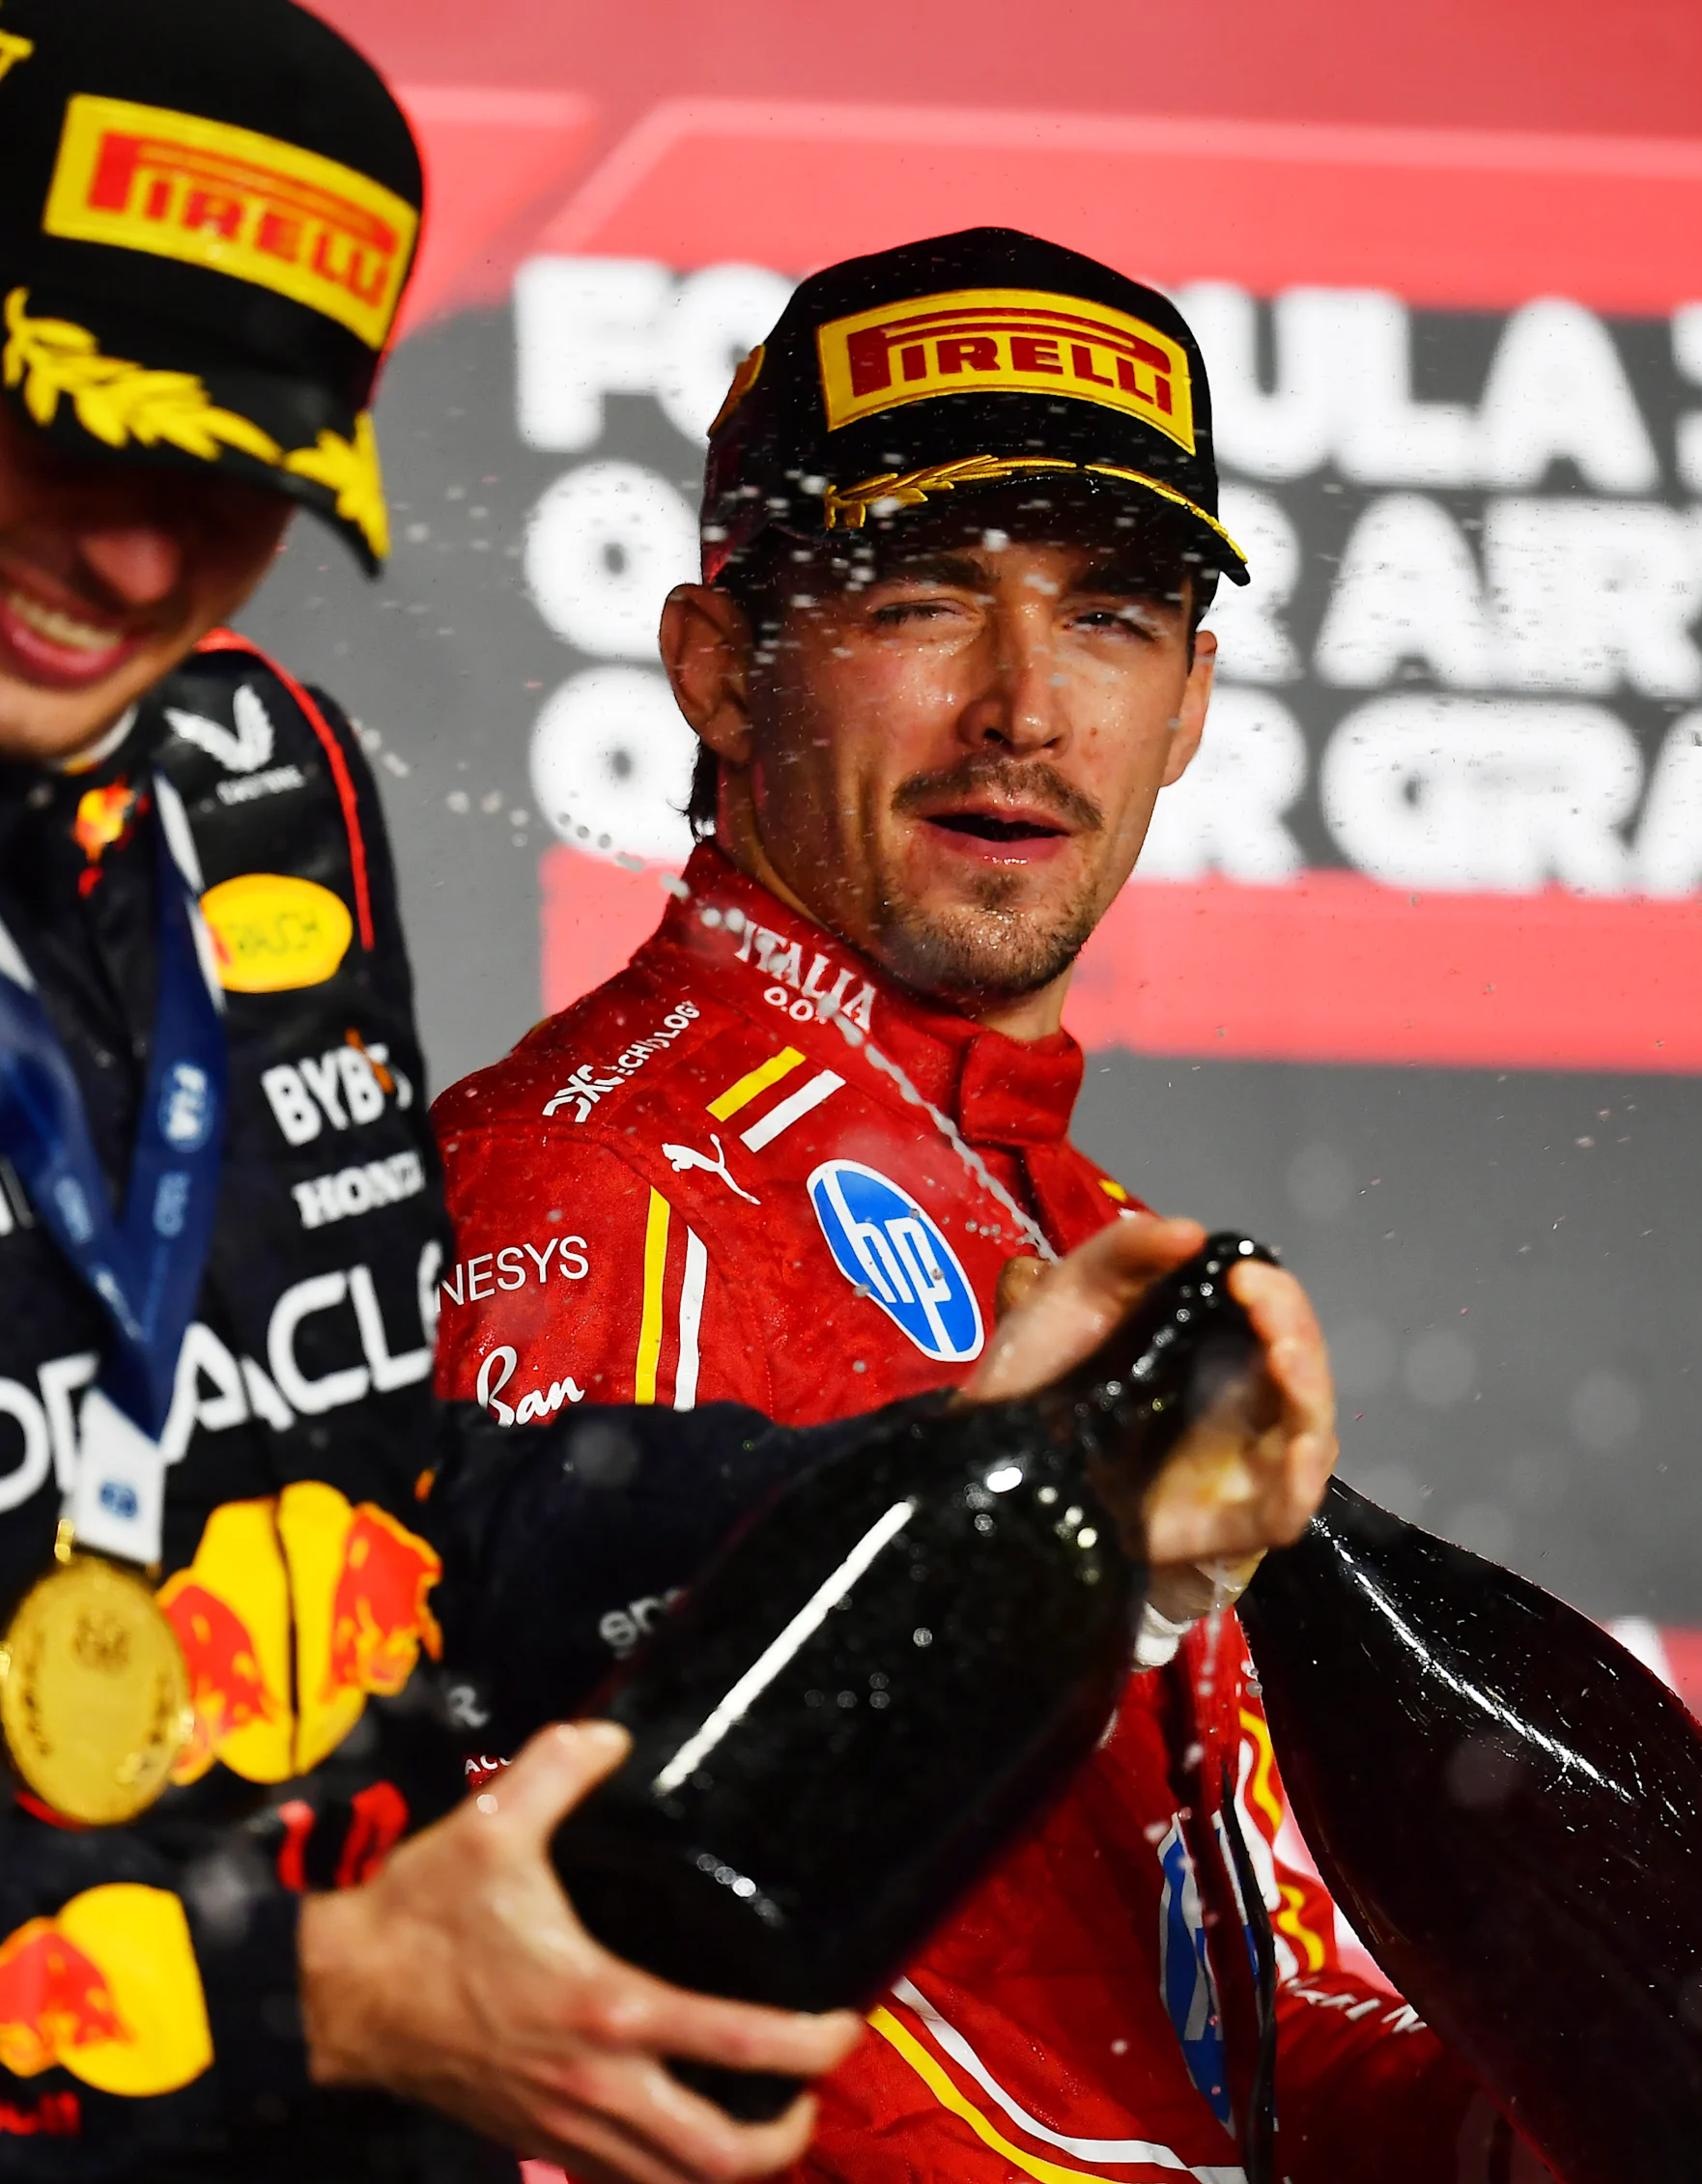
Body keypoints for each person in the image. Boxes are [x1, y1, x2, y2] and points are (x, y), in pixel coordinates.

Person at [0, 25, 1340, 2184]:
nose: (133, 563)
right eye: (60, 429)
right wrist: (317, 1984)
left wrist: (983, 1466)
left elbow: (384, 1501)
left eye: (228, 477)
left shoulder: (253, 790)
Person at [435, 230, 1518, 2183]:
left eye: (1109, 616)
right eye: (925, 597)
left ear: (1189, 701)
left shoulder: (1082, 1228)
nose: (1021, 704)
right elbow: (543, 2019)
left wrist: (1512, 2131)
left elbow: (1219, 2045)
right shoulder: (607, 1179)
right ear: (717, 669)